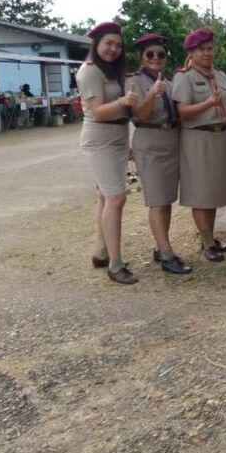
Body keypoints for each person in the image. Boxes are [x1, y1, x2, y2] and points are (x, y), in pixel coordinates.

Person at [172, 28, 226, 263]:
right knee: (200, 193)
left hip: (220, 138)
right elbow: (182, 112)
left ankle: (209, 237)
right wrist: (209, 103)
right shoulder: (184, 77)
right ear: (191, 52)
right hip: (197, 139)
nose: (207, 53)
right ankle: (207, 243)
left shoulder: (220, 76)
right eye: (202, 49)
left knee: (213, 192)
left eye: (210, 48)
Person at [77, 21, 138, 284]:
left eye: (118, 45)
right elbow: (98, 111)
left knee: (105, 195)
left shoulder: (110, 71)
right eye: (108, 43)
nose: (113, 49)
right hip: (100, 138)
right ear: (97, 43)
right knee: (116, 198)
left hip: (117, 136)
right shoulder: (90, 71)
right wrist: (123, 101)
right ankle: (115, 264)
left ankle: (101, 252)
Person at [126, 33, 191, 275]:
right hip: (150, 140)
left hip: (170, 141)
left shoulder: (169, 81)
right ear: (141, 57)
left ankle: (160, 245)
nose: (156, 58)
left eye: (161, 54)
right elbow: (139, 116)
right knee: (157, 199)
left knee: (166, 198)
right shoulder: (134, 81)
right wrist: (152, 93)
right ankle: (166, 253)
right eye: (150, 54)